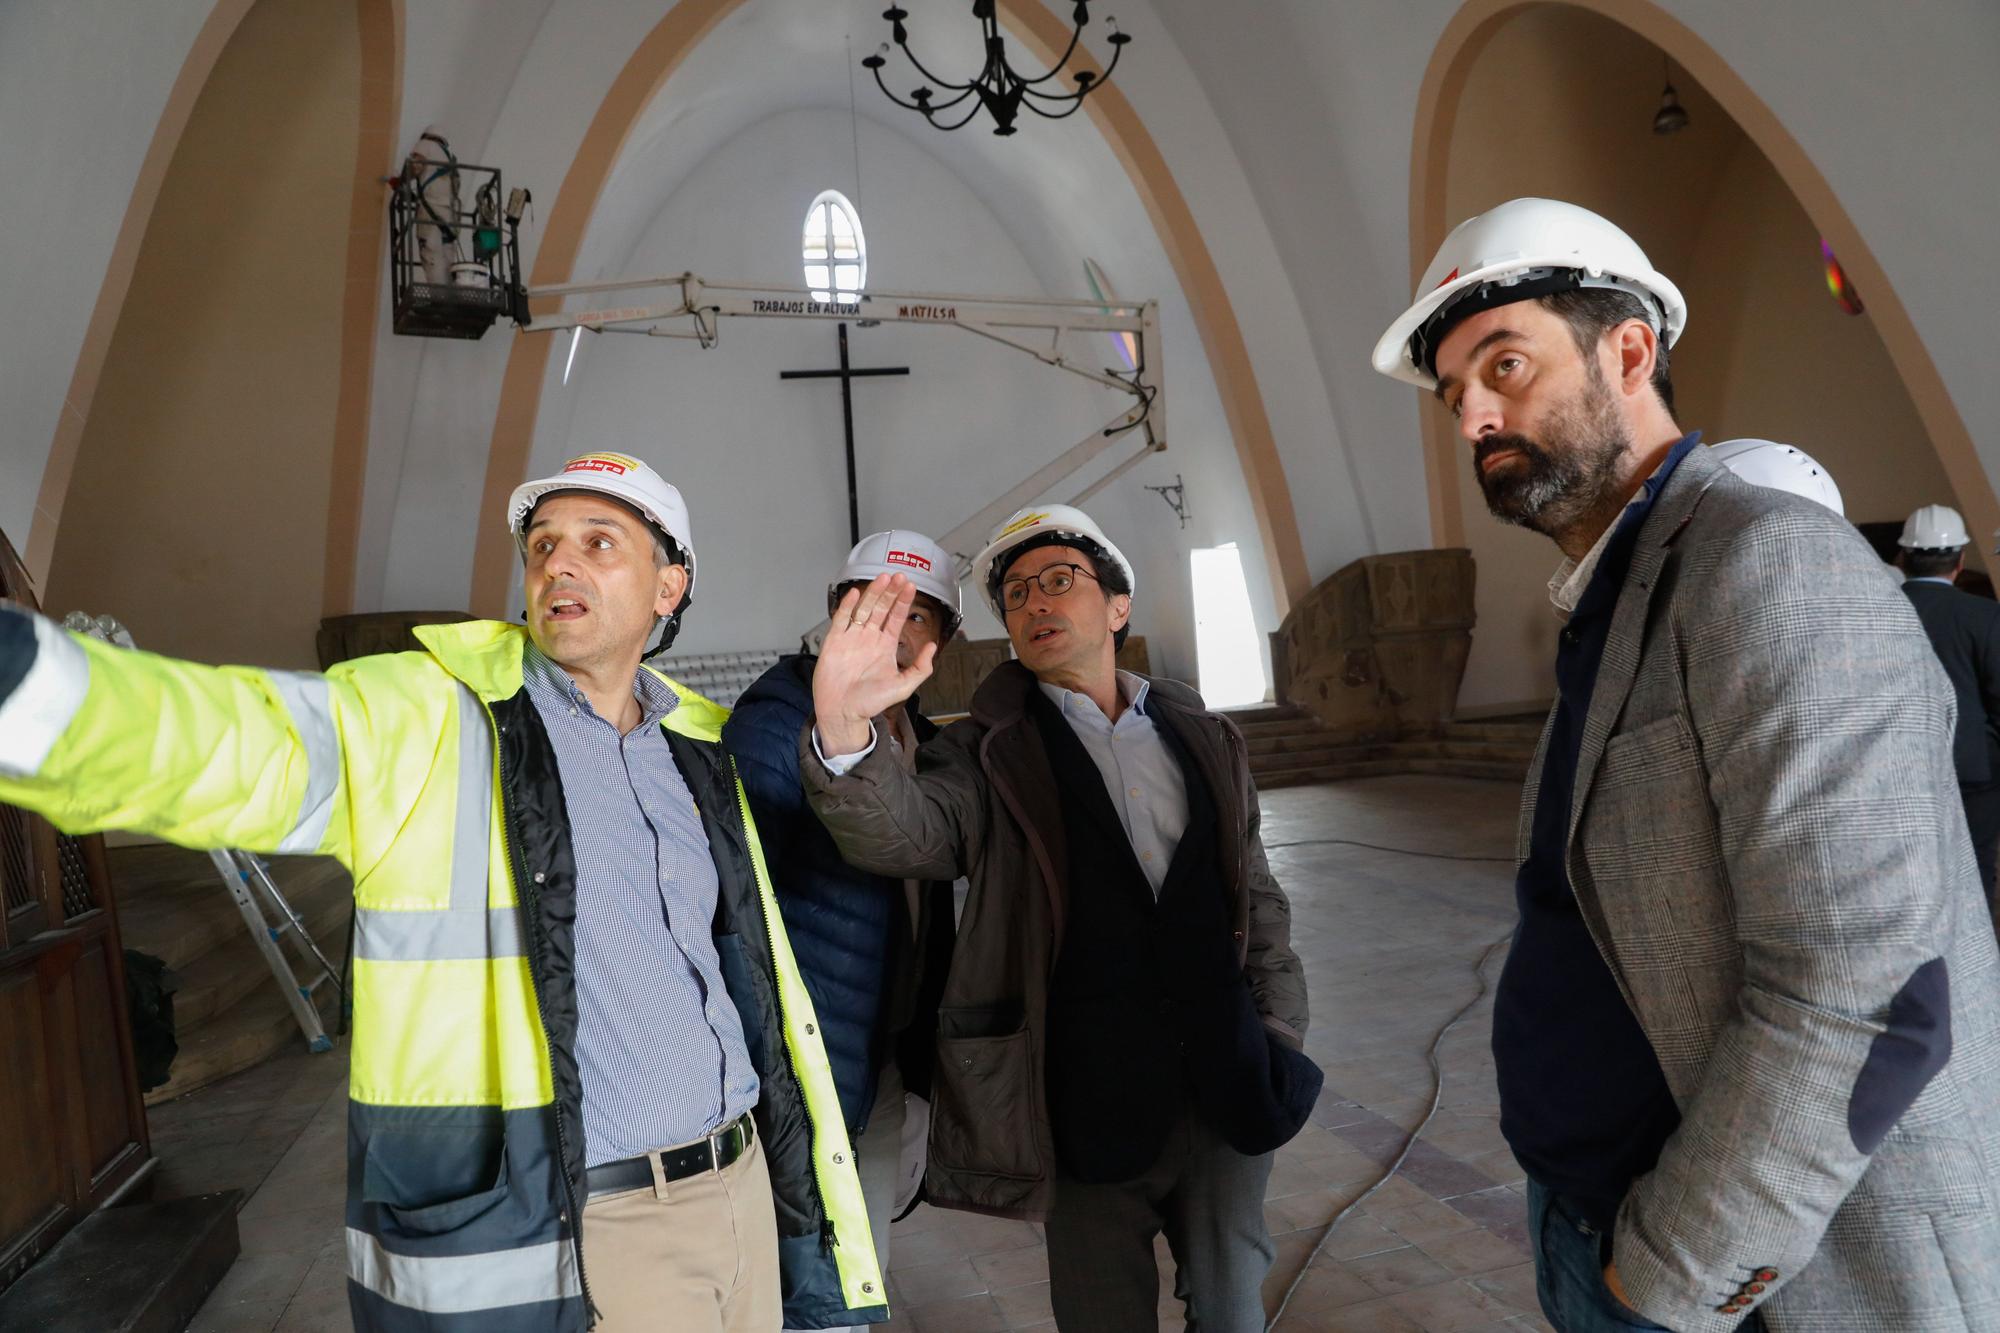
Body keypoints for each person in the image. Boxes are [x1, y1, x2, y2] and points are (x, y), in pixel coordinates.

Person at [0, 451, 884, 1333]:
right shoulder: (429, 720)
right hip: (599, 1216)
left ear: (669, 587)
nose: (558, 564)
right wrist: (28, 688)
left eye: (600, 542)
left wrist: (847, 723)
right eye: (542, 546)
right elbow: (231, 742)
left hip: (743, 1188)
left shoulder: (698, 746)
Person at [1371, 197, 2000, 1331]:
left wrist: (1667, 1277)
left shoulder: (1766, 562)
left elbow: (1860, 992)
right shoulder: (1621, 594)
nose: (1471, 412)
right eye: (1451, 388)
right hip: (1601, 1214)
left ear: (1626, 350)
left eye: (1503, 363)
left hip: (1754, 1272)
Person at [798, 505, 1319, 1332]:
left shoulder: (1205, 735)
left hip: (1227, 1077)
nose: (1035, 602)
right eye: (1015, 594)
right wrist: (845, 724)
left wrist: (1280, 1034)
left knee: (1230, 1307)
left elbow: (1257, 896)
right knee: (1100, 1311)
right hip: (1081, 1096)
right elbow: (905, 834)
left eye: (1058, 581)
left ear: (1118, 606)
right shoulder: (985, 752)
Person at [722, 530, 961, 1331]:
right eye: (873, 604)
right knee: (815, 1289)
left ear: (944, 640)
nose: (896, 627)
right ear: (835, 614)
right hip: (806, 1067)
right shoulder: (774, 721)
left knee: (860, 1276)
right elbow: (734, 898)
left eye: (919, 613)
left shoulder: (918, 738)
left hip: (881, 1053)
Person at [1895, 504, 2000, 903]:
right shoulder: (1985, 615)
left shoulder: (1878, 606)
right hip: (1976, 770)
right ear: (1961, 560)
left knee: (1909, 878)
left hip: (1897, 767)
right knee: (1974, 872)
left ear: (1903, 557)